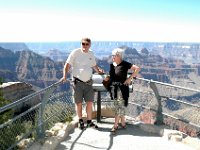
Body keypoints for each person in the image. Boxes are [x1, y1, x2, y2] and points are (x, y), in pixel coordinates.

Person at [62, 37, 104, 130]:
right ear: (81, 44)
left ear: (90, 45)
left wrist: (99, 71)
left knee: (89, 103)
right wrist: (64, 76)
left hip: (89, 82)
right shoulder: (75, 53)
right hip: (78, 83)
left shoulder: (91, 53)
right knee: (79, 103)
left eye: (86, 44)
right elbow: (67, 65)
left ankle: (89, 122)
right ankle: (80, 121)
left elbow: (93, 65)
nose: (84, 46)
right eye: (83, 44)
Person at [109, 48, 140, 134]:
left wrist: (130, 79)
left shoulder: (125, 64)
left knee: (118, 107)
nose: (112, 57)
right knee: (120, 106)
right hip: (114, 89)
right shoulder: (113, 64)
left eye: (114, 55)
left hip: (122, 89)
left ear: (119, 56)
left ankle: (115, 126)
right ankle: (123, 123)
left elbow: (137, 69)